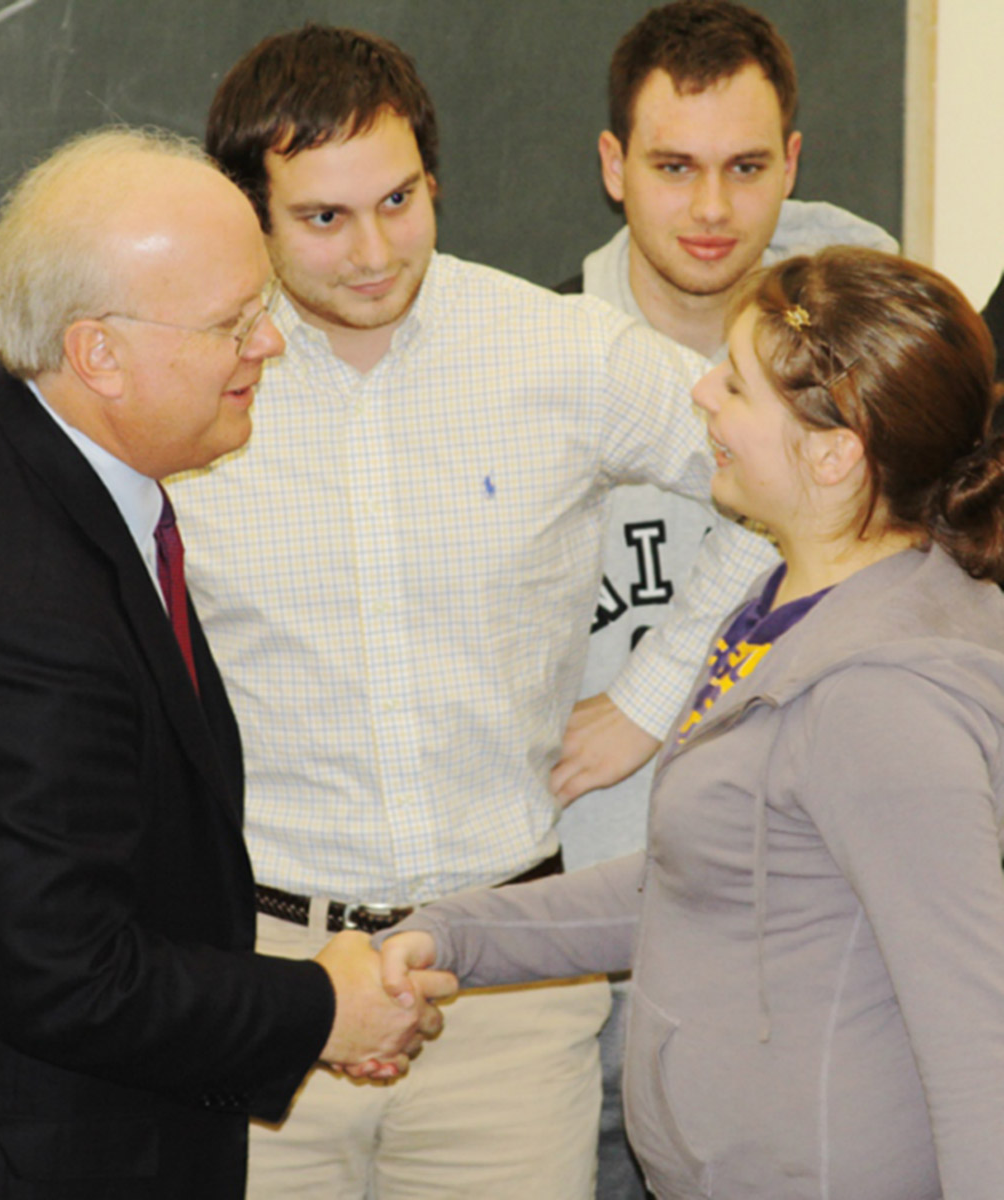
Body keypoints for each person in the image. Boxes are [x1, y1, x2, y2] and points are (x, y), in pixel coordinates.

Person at [168, 23, 777, 1199]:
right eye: (324, 217)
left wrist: (653, 695)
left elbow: (786, 479)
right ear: (252, 216)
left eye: (399, 199)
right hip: (266, 978)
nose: (373, 250)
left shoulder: (559, 352)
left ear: (434, 179)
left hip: (511, 985)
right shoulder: (190, 383)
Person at [0, 126, 456, 1200]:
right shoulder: (28, 609)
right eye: (232, 324)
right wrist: (320, 1008)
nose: (270, 346)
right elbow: (66, 975)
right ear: (96, 351)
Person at [378, 246, 1004, 1200]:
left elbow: (974, 1033)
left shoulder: (883, 698)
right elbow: (699, 881)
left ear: (834, 452)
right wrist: (455, 935)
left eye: (738, 384)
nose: (703, 393)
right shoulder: (786, 602)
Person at [551, 5, 898, 1192]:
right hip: (588, 967)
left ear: (792, 165)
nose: (711, 210)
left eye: (747, 168)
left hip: (808, 970)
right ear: (613, 168)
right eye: (674, 167)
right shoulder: (537, 364)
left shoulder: (869, 384)